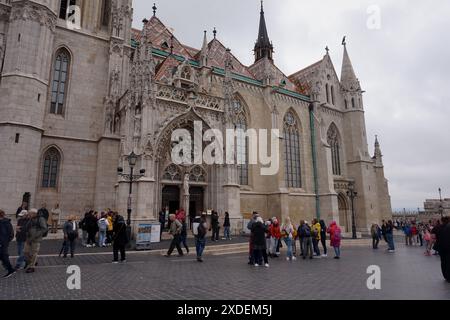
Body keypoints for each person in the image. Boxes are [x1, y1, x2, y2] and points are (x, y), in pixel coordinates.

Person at [24, 208, 48, 273]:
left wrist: (36, 235)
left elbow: (44, 228)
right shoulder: (30, 219)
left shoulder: (41, 219)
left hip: (36, 239)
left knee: (34, 253)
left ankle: (32, 267)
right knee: (25, 252)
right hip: (28, 238)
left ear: (34, 213)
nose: (29, 214)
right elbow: (27, 227)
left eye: (30, 213)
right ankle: (33, 261)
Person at [0, 209, 16, 278]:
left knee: (4, 257)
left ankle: (10, 270)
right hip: (3, 243)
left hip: (2, 243)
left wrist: (4, 242)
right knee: (3, 257)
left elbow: (10, 234)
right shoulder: (4, 222)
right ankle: (10, 269)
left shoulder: (4, 223)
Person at [436, 217, 450, 282]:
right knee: (448, 262)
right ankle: (448, 276)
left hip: (441, 247)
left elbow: (433, 236)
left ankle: (445, 275)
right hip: (448, 247)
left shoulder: (438, 227)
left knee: (443, 261)